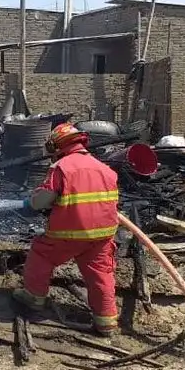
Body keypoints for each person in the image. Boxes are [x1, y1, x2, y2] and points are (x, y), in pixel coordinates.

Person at [13, 123, 120, 336]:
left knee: (41, 252)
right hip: (103, 234)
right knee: (101, 273)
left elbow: (43, 200)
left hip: (69, 232)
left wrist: (32, 202)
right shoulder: (104, 168)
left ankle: (34, 297)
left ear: (57, 146)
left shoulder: (62, 167)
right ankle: (106, 321)